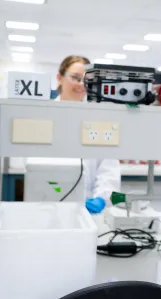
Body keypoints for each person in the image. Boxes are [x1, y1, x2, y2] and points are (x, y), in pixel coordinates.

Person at [56, 55, 121, 214]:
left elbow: (109, 170)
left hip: (88, 214)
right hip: (49, 206)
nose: (81, 84)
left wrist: (101, 197)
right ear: (59, 78)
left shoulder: (99, 118)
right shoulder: (44, 116)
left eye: (87, 79)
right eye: (75, 78)